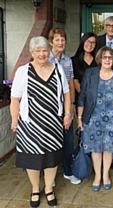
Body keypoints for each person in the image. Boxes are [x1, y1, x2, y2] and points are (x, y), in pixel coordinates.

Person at [10, 36, 71, 207]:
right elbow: (15, 99)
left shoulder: (58, 69)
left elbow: (66, 94)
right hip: (30, 124)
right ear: (32, 53)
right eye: (38, 51)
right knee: (32, 159)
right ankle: (35, 189)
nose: (42, 54)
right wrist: (15, 120)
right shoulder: (23, 71)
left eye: (44, 50)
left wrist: (67, 114)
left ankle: (49, 188)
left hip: (53, 123)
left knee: (51, 159)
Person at [77, 46, 113, 191]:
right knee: (95, 148)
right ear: (99, 59)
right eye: (104, 57)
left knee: (108, 148)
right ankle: (97, 176)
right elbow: (82, 97)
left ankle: (106, 175)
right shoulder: (90, 73)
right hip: (93, 117)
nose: (107, 60)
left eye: (110, 57)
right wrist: (80, 118)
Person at [48, 28, 81, 185]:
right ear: (50, 42)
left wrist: (72, 106)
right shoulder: (44, 59)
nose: (60, 42)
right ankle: (50, 175)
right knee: (51, 142)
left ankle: (68, 171)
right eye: (57, 40)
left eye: (63, 40)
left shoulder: (68, 61)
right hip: (49, 109)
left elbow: (70, 84)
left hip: (65, 108)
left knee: (68, 141)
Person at [71, 32, 98, 107]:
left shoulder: (99, 61)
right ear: (83, 42)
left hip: (97, 99)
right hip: (81, 100)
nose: (90, 45)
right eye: (88, 41)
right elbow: (75, 81)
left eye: (93, 42)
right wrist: (86, 97)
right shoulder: (74, 60)